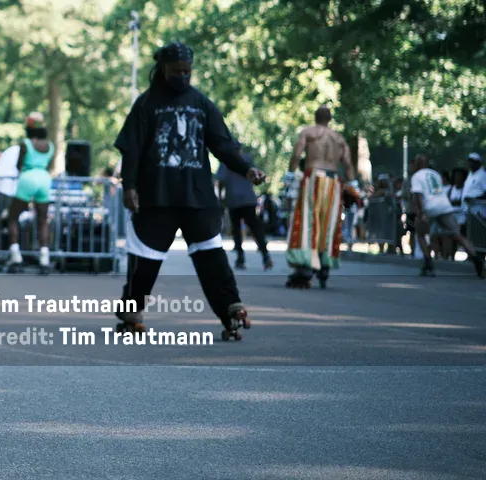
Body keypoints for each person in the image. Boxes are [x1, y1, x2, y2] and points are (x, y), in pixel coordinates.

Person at [113, 41, 267, 340]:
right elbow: (131, 150)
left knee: (211, 255)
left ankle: (230, 309)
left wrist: (245, 169)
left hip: (197, 196)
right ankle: (132, 311)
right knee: (144, 258)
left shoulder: (200, 103)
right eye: (176, 71)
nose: (182, 76)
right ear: (163, 69)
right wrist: (129, 186)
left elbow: (222, 144)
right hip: (157, 196)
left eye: (187, 71)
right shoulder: (146, 104)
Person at [283, 106, 354, 288]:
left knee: (308, 220)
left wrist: (290, 175)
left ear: (315, 117)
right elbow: (347, 163)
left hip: (314, 177)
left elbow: (297, 154)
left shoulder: (308, 132)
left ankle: (307, 262)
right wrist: (353, 185)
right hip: (333, 181)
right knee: (328, 223)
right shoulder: (338, 138)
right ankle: (324, 264)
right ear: (330, 118)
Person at [410, 155, 484, 277]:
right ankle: (477, 259)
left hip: (429, 207)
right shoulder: (434, 174)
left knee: (421, 234)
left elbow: (418, 195)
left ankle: (428, 262)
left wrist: (420, 213)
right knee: (457, 234)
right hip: (444, 206)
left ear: (417, 164)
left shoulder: (417, 176)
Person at [4, 112, 57, 275]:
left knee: (12, 217)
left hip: (28, 177)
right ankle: (44, 258)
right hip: (44, 179)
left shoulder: (25, 143)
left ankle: (16, 256)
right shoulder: (50, 145)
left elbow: (19, 165)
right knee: (42, 220)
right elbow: (49, 165)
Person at [218, 149, 273, 271]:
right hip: (248, 198)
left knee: (236, 229)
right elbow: (256, 177)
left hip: (233, 199)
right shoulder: (247, 159)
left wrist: (221, 198)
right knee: (254, 227)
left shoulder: (226, 160)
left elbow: (221, 180)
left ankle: (240, 258)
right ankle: (265, 255)